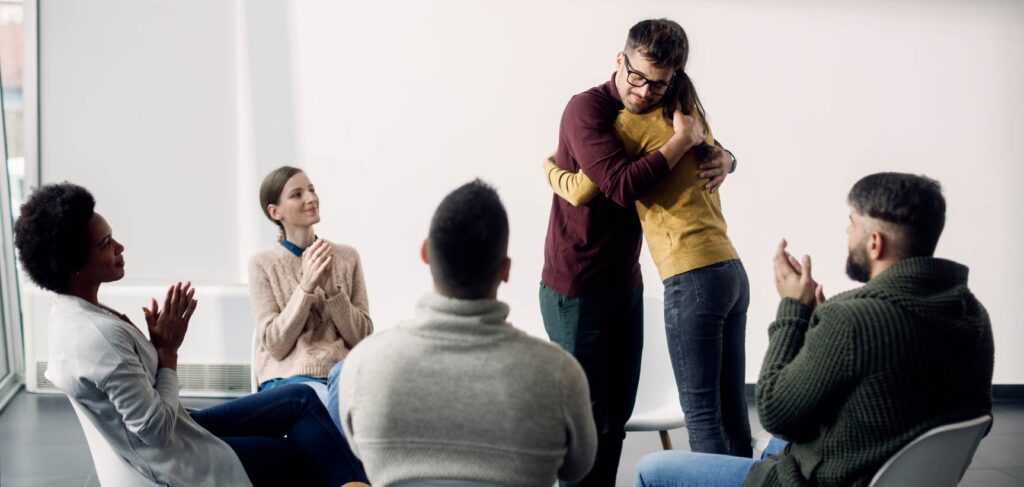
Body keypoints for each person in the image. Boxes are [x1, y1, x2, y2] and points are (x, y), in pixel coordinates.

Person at [634, 172, 994, 486]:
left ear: (874, 242)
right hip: (887, 464)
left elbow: (777, 414)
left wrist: (793, 311)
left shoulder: (853, 321)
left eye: (852, 223)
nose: (846, 232)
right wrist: (824, 328)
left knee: (653, 469)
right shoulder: (972, 314)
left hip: (833, 477)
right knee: (773, 448)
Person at [18, 183, 367, 487]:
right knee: (300, 453)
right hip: (176, 455)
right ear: (73, 264)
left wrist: (158, 347)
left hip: (180, 425)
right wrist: (167, 352)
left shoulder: (74, 313)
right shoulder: (97, 337)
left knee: (300, 398)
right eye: (106, 244)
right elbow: (155, 432)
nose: (120, 248)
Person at [539, 18, 736, 483]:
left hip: (625, 283)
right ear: (620, 60)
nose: (645, 91)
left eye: (659, 84)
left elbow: (705, 146)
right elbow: (620, 186)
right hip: (576, 286)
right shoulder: (585, 110)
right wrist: (680, 141)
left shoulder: (669, 107)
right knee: (585, 424)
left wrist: (727, 158)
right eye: (637, 76)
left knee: (616, 422)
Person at [338, 180, 597, 487]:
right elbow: (578, 468)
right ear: (506, 269)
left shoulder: (365, 365)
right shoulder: (558, 373)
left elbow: (360, 451)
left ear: (425, 252)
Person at [249, 166, 373, 434]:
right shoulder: (263, 264)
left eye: (312, 190)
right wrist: (305, 288)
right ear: (275, 212)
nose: (310, 198)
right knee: (336, 414)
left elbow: (363, 338)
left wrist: (333, 292)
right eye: (297, 194)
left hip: (341, 378)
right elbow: (275, 344)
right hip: (289, 382)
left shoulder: (347, 256)